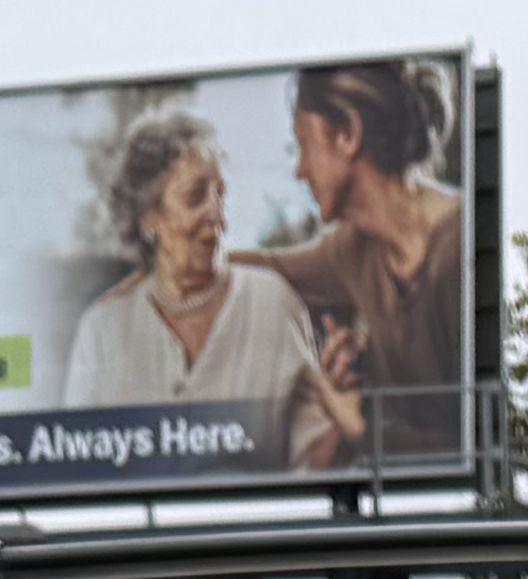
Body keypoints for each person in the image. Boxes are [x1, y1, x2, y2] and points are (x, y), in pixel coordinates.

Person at [63, 106, 351, 454]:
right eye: (195, 197)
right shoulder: (101, 330)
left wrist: (341, 420)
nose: (217, 216)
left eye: (220, 195)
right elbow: (77, 458)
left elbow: (309, 459)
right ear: (148, 218)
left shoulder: (272, 303)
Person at [258, 60, 469, 462]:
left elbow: (467, 445)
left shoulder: (459, 249)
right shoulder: (353, 250)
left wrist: (360, 426)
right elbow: (265, 266)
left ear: (348, 135)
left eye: (303, 144)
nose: (300, 171)